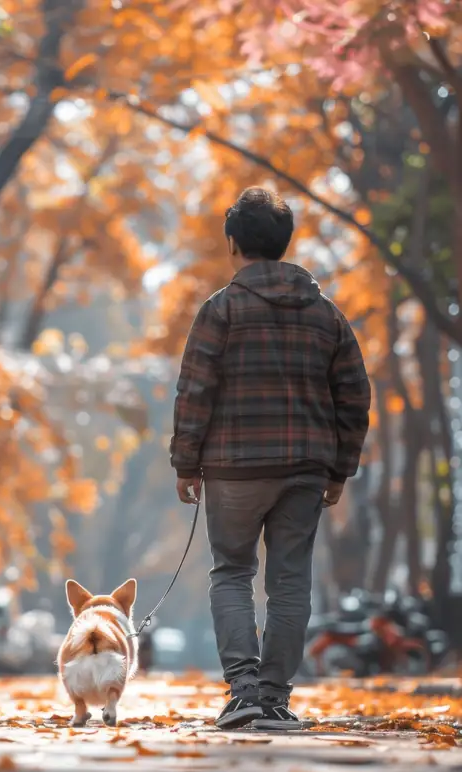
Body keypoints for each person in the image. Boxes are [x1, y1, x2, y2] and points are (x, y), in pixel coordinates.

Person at [170, 188, 371, 729]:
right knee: (290, 583)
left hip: (234, 468)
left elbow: (194, 393)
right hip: (305, 469)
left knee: (232, 573)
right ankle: (276, 700)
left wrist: (186, 462)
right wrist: (338, 468)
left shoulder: (220, 310)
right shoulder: (327, 317)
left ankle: (244, 695)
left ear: (233, 244)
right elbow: (355, 394)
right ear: (284, 244)